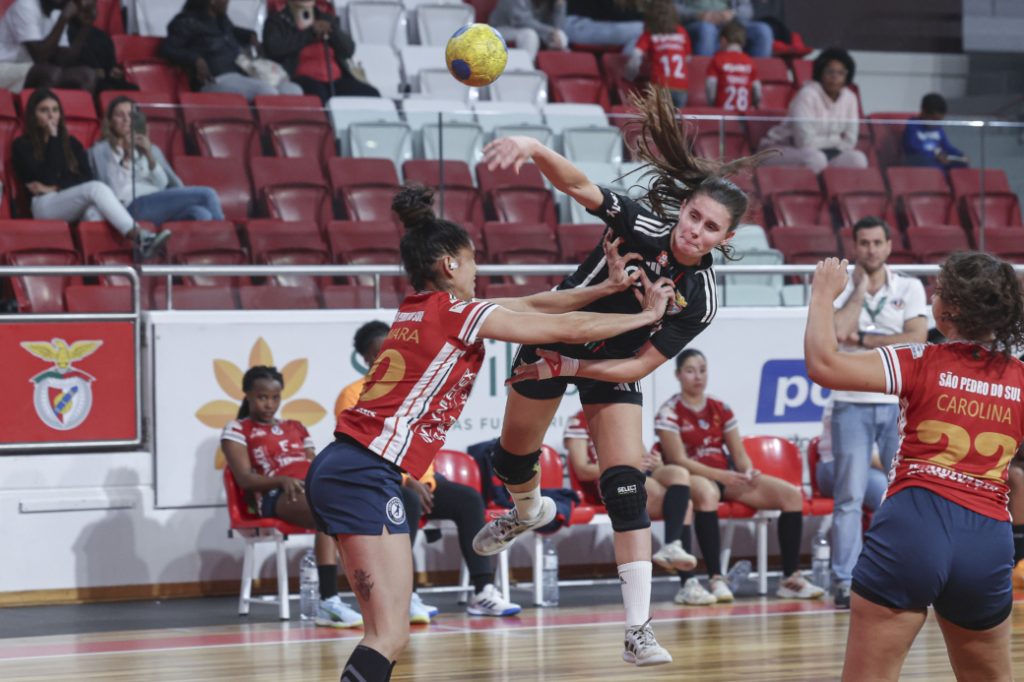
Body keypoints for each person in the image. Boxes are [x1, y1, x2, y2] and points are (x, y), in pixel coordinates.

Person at [305, 184, 676, 682]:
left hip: (359, 469)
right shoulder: (459, 314)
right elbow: (556, 327)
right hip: (361, 471)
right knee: (387, 634)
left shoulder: (422, 308)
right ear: (450, 266)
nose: (478, 271)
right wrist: (647, 316)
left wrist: (607, 289)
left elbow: (534, 302)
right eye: (473, 260)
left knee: (390, 634)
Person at [472, 87, 768, 667]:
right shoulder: (646, 224)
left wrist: (577, 366)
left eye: (711, 228)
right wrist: (533, 146)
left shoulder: (698, 299)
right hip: (555, 332)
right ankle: (527, 510)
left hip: (608, 364)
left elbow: (637, 366)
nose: (696, 231)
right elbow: (581, 186)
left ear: (725, 240)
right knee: (510, 461)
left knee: (627, 484)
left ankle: (639, 629)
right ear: (681, 211)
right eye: (694, 217)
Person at [804, 252, 1024, 682]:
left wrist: (822, 296)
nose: (933, 296)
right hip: (988, 539)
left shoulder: (920, 359)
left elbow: (824, 364)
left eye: (939, 290)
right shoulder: (1020, 377)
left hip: (915, 526)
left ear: (951, 309)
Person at [335, 320, 521, 623]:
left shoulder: (413, 388)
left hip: (422, 478)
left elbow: (424, 438)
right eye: (378, 352)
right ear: (366, 359)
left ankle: (483, 590)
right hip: (380, 481)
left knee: (468, 499)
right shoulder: (353, 394)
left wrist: (419, 478)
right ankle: (402, 595)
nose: (388, 355)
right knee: (405, 502)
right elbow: (366, 447)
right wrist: (406, 480)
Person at [654, 348, 824, 603]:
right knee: (708, 493)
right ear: (678, 375)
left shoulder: (720, 407)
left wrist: (747, 471)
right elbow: (678, 460)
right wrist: (722, 475)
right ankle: (715, 578)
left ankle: (791, 578)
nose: (697, 377)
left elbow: (739, 453)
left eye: (702, 370)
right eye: (690, 371)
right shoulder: (669, 411)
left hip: (725, 476)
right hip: (693, 475)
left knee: (791, 496)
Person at [828, 215, 928, 609]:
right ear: (854, 246)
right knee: (849, 498)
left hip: (899, 402)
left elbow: (917, 338)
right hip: (850, 402)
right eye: (863, 243)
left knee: (905, 495)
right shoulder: (839, 286)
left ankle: (910, 574)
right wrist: (857, 292)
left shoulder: (909, 285)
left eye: (876, 243)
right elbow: (836, 333)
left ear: (888, 246)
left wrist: (864, 339)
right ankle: (844, 580)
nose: (870, 249)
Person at [221, 366, 363, 629]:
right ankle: (329, 603)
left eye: (275, 398)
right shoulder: (238, 429)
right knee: (328, 511)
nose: (269, 404)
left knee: (356, 508)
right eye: (262, 397)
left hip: (311, 490)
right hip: (276, 496)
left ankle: (369, 594)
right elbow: (244, 479)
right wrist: (282, 480)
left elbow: (313, 465)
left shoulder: (296, 427)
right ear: (248, 395)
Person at [11, 88, 170, 260]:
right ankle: (140, 236)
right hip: (44, 205)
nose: (51, 116)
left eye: (55, 110)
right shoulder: (22, 145)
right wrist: (54, 139)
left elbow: (84, 177)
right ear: (33, 115)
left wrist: (56, 186)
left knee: (94, 213)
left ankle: (100, 269)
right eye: (44, 110)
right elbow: (48, 175)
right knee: (96, 189)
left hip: (67, 198)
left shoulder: (71, 143)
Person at [564, 410, 703, 603]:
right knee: (684, 505)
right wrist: (629, 466)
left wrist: (656, 463)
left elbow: (642, 459)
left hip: (635, 476)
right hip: (607, 481)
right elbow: (582, 470)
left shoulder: (625, 411)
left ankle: (673, 548)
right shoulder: (579, 420)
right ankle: (688, 581)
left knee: (679, 474)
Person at [89, 96, 225, 226]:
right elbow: (114, 190)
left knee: (201, 214)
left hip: (159, 200)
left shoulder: (151, 148)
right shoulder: (101, 150)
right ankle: (227, 242)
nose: (126, 119)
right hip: (131, 206)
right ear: (110, 121)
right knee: (207, 194)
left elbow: (163, 184)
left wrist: (149, 155)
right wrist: (128, 156)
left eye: (131, 115)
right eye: (120, 115)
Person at [160, 0, 304, 102]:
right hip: (216, 81)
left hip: (243, 75)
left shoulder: (221, 20)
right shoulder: (186, 22)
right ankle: (268, 140)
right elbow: (167, 48)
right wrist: (195, 59)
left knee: (292, 90)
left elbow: (231, 32)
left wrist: (250, 35)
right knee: (266, 92)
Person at [758, 47, 867, 174]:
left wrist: (834, 146)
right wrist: (836, 142)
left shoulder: (850, 98)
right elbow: (804, 142)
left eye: (841, 73)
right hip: (780, 150)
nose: (835, 77)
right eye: (830, 72)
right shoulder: (807, 94)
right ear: (820, 72)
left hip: (826, 153)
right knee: (815, 159)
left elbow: (850, 140)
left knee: (858, 159)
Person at [262, 0, 380, 103]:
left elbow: (348, 50)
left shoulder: (327, 18)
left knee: (371, 94)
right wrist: (310, 32)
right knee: (319, 98)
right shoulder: (277, 21)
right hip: (301, 77)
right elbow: (274, 49)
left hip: (336, 79)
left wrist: (333, 32)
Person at [0, 0, 97, 92]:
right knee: (50, 74)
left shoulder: (57, 13)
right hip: (4, 66)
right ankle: (38, 108)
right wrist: (63, 18)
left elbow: (63, 61)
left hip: (28, 69)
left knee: (86, 76)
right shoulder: (25, 6)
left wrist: (86, 25)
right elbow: (40, 57)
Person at [813, 401, 887, 514]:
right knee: (888, 492)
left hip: (872, 468)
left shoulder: (887, 401)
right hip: (836, 466)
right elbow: (866, 454)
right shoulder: (843, 402)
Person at [626, 0, 692, 108]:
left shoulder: (649, 34)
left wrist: (629, 77)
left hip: (660, 86)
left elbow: (635, 57)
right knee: (677, 122)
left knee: (660, 121)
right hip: (681, 87)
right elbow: (688, 58)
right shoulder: (682, 32)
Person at [66, 0, 137, 93]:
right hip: (82, 82)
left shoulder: (102, 36)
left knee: (133, 89)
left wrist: (116, 73)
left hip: (105, 81)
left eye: (92, 8)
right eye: (84, 9)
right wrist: (102, 73)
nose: (89, 12)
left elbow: (111, 67)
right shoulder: (67, 32)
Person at [675, 0, 773, 58]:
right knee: (707, 30)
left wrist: (732, 14)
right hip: (697, 22)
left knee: (763, 31)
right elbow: (672, 8)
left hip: (729, 23)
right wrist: (697, 15)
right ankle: (703, 82)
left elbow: (747, 10)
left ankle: (756, 86)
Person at [705, 21, 761, 113]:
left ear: (723, 40)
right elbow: (757, 90)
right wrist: (755, 105)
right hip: (744, 116)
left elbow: (710, 85)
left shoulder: (717, 59)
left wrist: (712, 105)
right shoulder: (750, 61)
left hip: (722, 116)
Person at [902, 93, 968, 170]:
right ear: (923, 112)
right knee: (931, 163)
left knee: (961, 164)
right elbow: (912, 147)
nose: (936, 124)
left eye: (939, 121)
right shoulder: (913, 125)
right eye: (933, 119)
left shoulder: (938, 129)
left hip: (938, 160)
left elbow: (946, 146)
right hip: (920, 162)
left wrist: (960, 155)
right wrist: (934, 155)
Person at [490, 0, 568, 60]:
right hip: (501, 29)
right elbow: (521, 21)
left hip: (535, 31)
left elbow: (558, 28)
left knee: (561, 36)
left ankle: (550, 72)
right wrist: (550, 32)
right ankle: (527, 71)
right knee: (529, 35)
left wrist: (560, 5)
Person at [564, 0, 644, 51]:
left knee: (646, 29)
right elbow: (612, 12)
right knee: (642, 30)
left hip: (596, 24)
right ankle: (624, 73)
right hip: (577, 25)